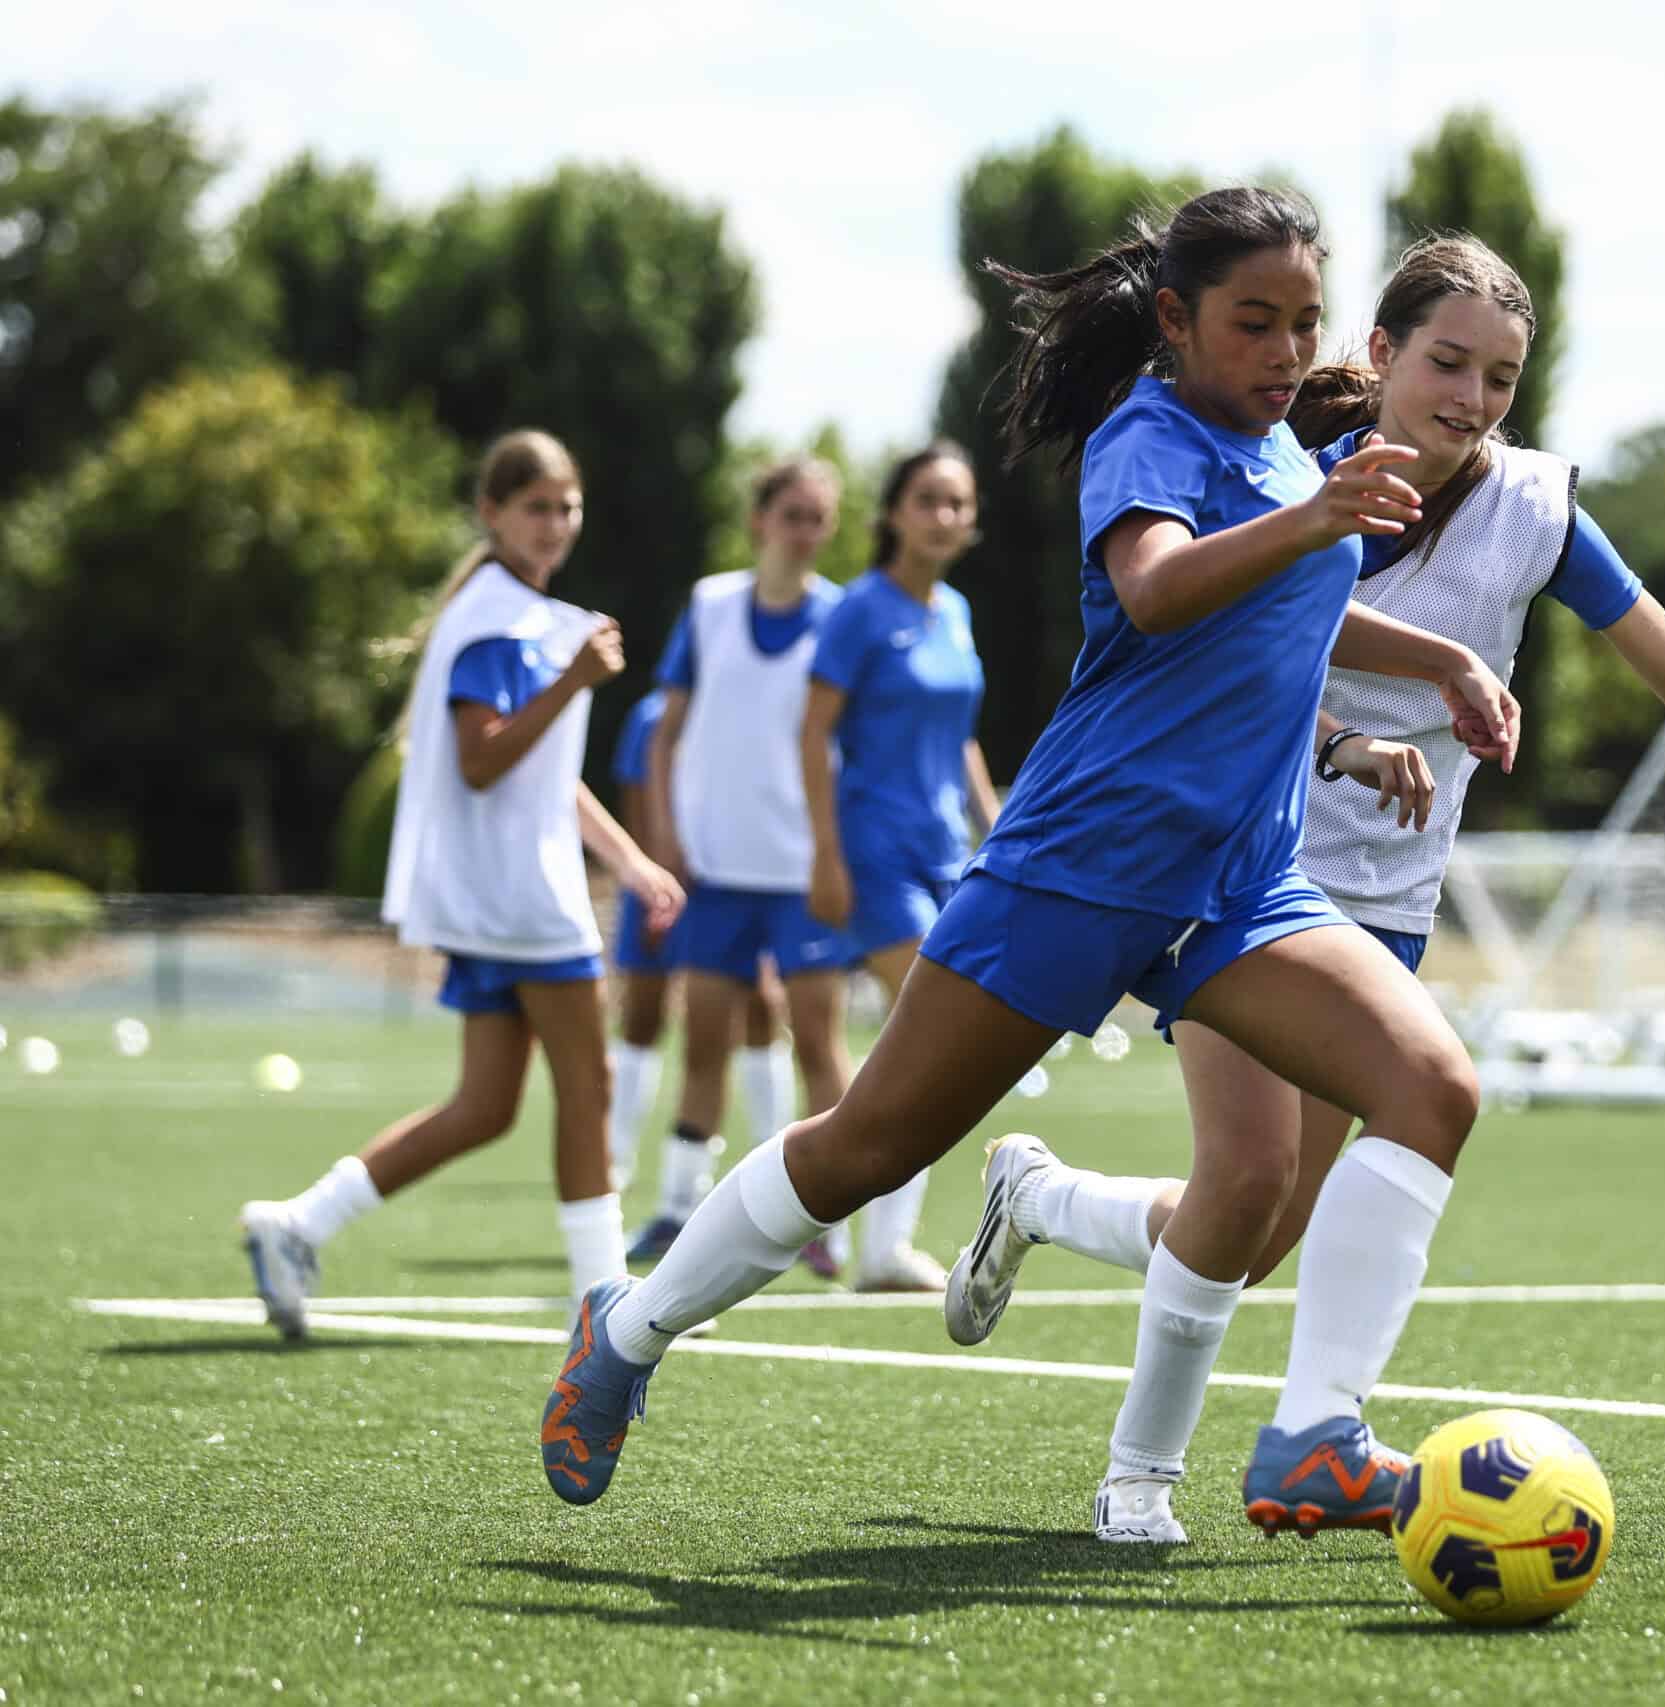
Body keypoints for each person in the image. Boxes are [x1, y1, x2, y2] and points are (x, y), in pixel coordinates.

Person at [539, 187, 1518, 1525]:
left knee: (1430, 1086)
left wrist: (1445, 656)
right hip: (1082, 863)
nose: (1287, 352)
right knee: (868, 1146)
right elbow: (1161, 587)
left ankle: (1311, 1433)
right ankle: (630, 1329)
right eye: (1254, 322)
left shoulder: (1292, 463)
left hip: (1236, 881)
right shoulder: (1150, 433)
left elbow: (1297, 606)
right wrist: (1318, 520)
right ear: (1175, 321)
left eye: (1302, 322)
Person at [945, 235, 1665, 1541]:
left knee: (1255, 1225)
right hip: (1240, 876)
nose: (1471, 398)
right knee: (1242, 1182)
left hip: (1384, 903)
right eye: (1448, 362)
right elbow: (1207, 629)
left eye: (1502, 378)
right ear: (1383, 356)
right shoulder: (1282, 471)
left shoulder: (1536, 511)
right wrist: (1342, 739)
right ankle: (1155, 1476)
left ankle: (1043, 1197)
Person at [241, 430, 683, 1339]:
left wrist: (629, 860)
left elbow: (543, 775)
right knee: (590, 1081)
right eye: (536, 507)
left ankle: (298, 1223)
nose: (555, 524)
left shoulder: (514, 613)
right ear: (492, 512)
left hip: (503, 892)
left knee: (485, 1106)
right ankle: (603, 1297)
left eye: (567, 507)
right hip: (520, 896)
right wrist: (573, 681)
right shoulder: (499, 621)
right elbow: (486, 761)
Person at [623, 459, 920, 1283]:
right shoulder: (711, 605)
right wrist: (665, 844)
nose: (806, 530)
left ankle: (824, 1218)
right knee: (704, 1043)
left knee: (821, 1046)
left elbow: (859, 741)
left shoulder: (841, 617)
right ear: (760, 519)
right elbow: (664, 734)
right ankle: (679, 1208)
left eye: (819, 517)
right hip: (715, 867)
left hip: (803, 869)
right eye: (792, 513)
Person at [795, 442, 1006, 1291]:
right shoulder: (858, 611)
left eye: (958, 502)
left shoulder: (955, 612)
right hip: (872, 853)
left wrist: (996, 830)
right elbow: (812, 733)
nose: (945, 516)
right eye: (928, 499)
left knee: (918, 1048)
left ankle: (850, 1227)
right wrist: (824, 852)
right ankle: (855, 1231)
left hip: (945, 855)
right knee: (930, 1035)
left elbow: (958, 736)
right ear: (893, 514)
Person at [600, 687, 791, 1195]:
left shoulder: (749, 707)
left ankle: (777, 1164)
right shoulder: (651, 715)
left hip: (729, 890)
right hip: (662, 885)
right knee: (642, 1015)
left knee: (760, 1008)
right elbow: (638, 801)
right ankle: (613, 1164)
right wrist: (650, 889)